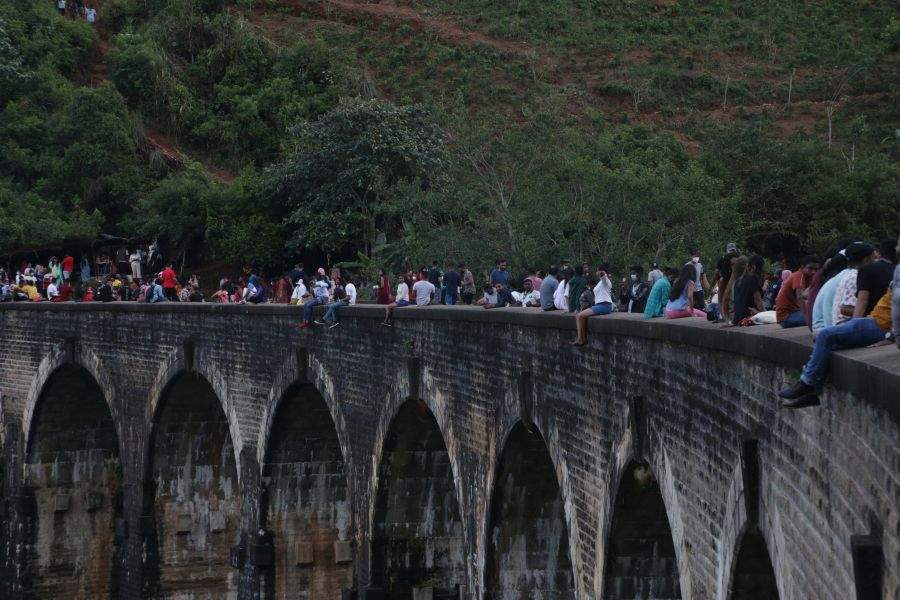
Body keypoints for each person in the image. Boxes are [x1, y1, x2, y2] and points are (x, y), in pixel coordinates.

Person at [779, 237, 897, 408]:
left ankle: (808, 383)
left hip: (879, 324)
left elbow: (860, 304)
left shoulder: (861, 272)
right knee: (827, 340)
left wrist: (890, 335)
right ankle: (812, 390)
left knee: (825, 335)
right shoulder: (890, 272)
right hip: (875, 321)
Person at [832, 242, 876, 326]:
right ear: (866, 259)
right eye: (873, 258)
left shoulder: (850, 274)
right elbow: (845, 309)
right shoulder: (855, 277)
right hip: (844, 324)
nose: (875, 262)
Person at [571, 265, 613, 346]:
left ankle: (580, 339)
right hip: (599, 305)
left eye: (597, 271)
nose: (596, 273)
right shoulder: (600, 283)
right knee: (580, 316)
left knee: (579, 316)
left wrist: (602, 273)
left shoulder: (606, 281)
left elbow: (603, 275)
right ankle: (582, 338)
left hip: (604, 305)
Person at [775, 255, 820, 328]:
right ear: (802, 267)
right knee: (816, 319)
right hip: (786, 317)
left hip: (794, 313)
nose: (813, 272)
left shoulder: (808, 278)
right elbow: (800, 297)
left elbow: (807, 296)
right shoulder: (799, 275)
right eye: (810, 268)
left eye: (816, 269)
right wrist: (807, 315)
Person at [810, 253, 849, 334]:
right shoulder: (847, 277)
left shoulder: (835, 279)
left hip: (820, 327)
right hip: (825, 329)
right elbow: (828, 314)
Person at [732, 255, 765, 325]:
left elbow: (737, 303)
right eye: (761, 268)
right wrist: (764, 314)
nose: (762, 271)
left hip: (738, 318)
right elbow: (757, 300)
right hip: (748, 315)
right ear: (754, 267)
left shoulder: (738, 281)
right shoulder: (753, 277)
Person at [713, 243, 739, 318]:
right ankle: (725, 315)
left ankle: (726, 316)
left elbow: (716, 273)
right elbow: (717, 273)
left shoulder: (724, 259)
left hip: (732, 281)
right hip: (729, 281)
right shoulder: (725, 259)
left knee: (728, 299)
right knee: (728, 299)